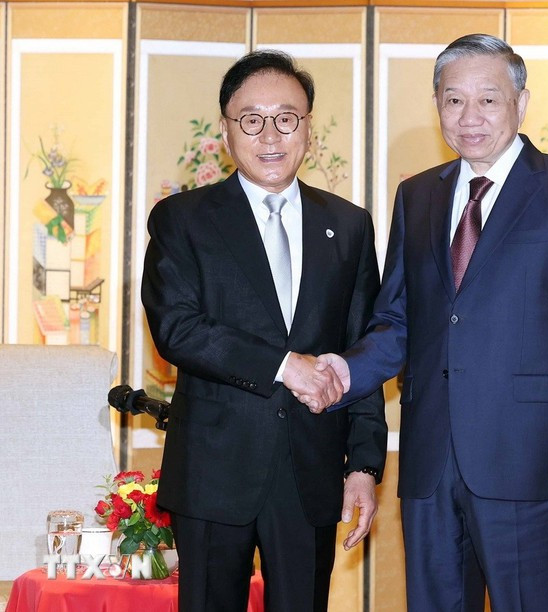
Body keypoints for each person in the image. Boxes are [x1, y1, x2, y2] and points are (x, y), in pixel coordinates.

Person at [311, 34, 548, 610]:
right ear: (437, 106)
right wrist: (343, 372)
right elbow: (397, 321)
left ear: (521, 103)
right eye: (454, 100)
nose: (469, 117)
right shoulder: (417, 196)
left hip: (530, 465)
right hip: (430, 463)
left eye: (488, 99)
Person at [141, 49, 387, 612]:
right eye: (251, 119)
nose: (270, 135)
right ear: (227, 132)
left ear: (308, 129)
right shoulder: (183, 219)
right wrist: (284, 364)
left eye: (287, 118)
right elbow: (176, 329)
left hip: (311, 470)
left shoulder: (347, 226)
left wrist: (365, 464)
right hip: (213, 470)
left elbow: (364, 351)